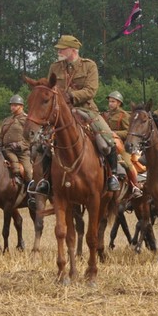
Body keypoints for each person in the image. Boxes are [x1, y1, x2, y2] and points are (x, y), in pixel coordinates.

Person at [30, 34, 119, 196]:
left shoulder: (89, 66)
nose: (59, 51)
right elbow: (49, 88)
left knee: (107, 139)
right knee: (42, 143)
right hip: (60, 113)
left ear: (72, 50)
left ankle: (112, 175)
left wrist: (71, 96)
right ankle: (44, 179)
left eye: (62, 49)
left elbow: (91, 90)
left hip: (86, 109)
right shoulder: (54, 67)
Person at [102, 91, 142, 200]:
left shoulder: (124, 115)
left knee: (127, 162)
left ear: (119, 103)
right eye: (109, 101)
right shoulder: (105, 114)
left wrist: (114, 133)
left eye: (113, 102)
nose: (110, 104)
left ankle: (135, 186)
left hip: (121, 145)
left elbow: (129, 131)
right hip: (105, 143)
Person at [0, 95, 32, 192]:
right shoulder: (7, 120)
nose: (12, 107)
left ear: (21, 106)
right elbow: (0, 135)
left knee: (28, 173)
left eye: (15, 105)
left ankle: (31, 194)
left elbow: (31, 137)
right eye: (11, 105)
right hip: (5, 150)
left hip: (22, 152)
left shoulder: (27, 120)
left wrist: (19, 145)